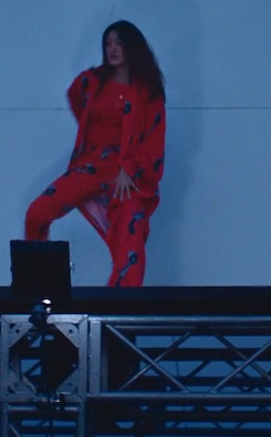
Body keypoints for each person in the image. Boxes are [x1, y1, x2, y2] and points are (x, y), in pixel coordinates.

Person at [24, 20, 167, 286]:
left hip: (124, 174)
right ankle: (38, 288)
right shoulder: (92, 81)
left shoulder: (148, 91)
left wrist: (129, 167)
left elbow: (153, 141)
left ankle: (120, 307)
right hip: (89, 166)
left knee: (129, 251)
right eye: (108, 43)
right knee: (37, 213)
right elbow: (75, 96)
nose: (112, 49)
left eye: (119, 43)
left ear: (133, 47)